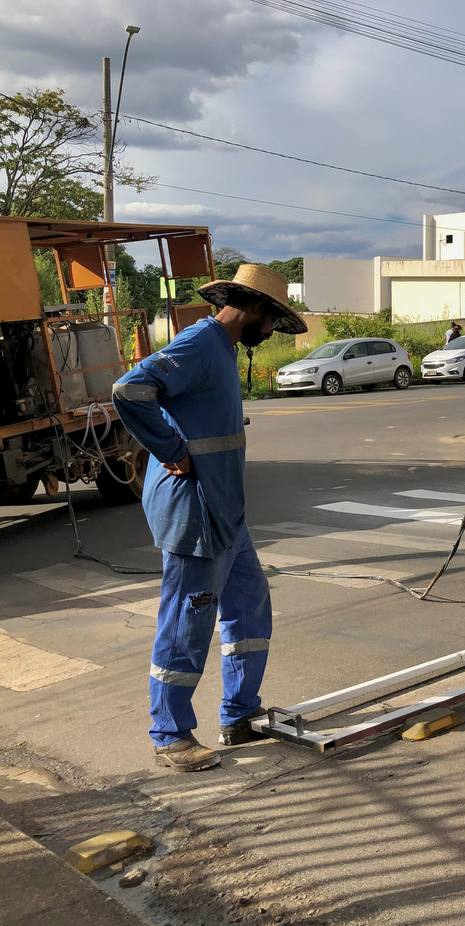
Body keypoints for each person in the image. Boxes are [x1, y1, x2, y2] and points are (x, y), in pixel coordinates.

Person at [112, 264, 307, 772]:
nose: (271, 331)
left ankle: (239, 713)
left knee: (249, 606)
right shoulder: (200, 343)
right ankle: (170, 734)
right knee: (187, 622)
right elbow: (129, 390)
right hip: (195, 511)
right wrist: (172, 449)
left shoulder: (221, 349)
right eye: (272, 321)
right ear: (256, 310)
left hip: (225, 513)